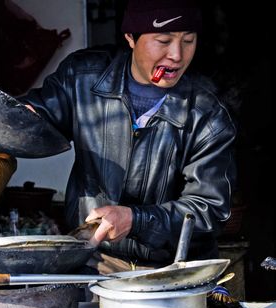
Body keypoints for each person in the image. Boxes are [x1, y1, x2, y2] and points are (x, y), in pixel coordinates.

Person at [19, 0, 237, 274]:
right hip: (94, 262)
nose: (177, 55)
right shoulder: (82, 79)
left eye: (188, 40)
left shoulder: (207, 115)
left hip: (173, 270)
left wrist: (137, 220)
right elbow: (34, 119)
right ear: (131, 37)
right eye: (163, 40)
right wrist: (15, 121)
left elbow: (209, 208)